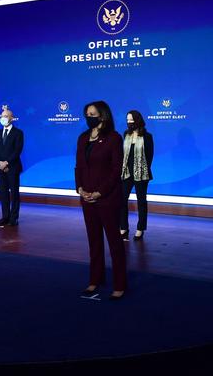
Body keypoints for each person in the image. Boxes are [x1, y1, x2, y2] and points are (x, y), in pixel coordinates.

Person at [75, 101, 126, 300]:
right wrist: (79, 188)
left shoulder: (113, 138)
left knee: (114, 242)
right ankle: (95, 279)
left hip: (107, 199)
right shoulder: (82, 138)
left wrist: (99, 193)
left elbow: (116, 170)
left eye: (92, 114)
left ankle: (120, 284)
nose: (89, 117)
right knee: (94, 241)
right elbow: (78, 166)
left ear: (103, 116)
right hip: (86, 198)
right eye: (87, 114)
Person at [120, 110, 154, 241]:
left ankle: (140, 229)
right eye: (127, 120)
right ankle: (123, 228)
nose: (129, 123)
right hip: (126, 173)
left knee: (141, 202)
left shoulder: (147, 136)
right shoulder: (125, 135)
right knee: (122, 200)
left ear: (137, 120)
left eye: (131, 120)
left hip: (141, 173)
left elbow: (150, 156)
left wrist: (141, 169)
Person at [0, 108, 24, 227]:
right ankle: (5, 216)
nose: (3, 118)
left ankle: (13, 218)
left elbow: (17, 150)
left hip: (13, 167)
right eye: (2, 116)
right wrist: (0, 163)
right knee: (3, 193)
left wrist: (7, 163)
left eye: (6, 116)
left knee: (14, 193)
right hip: (0, 168)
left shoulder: (18, 133)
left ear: (11, 118)